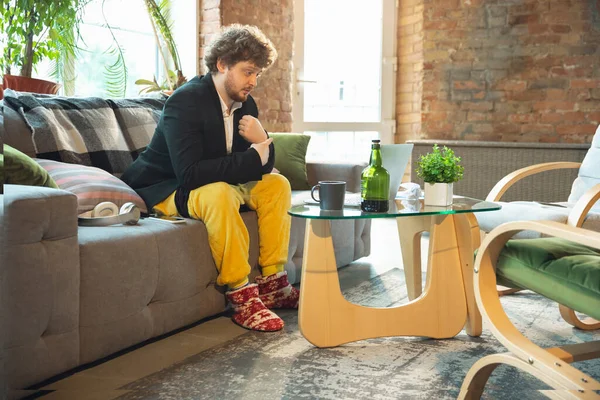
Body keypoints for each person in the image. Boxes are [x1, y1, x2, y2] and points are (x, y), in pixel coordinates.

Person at [121, 24, 297, 332]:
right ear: (221, 64)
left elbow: (263, 169)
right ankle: (241, 296)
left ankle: (272, 282)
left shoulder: (246, 103)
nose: (253, 82)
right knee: (218, 193)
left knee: (277, 186)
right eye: (247, 72)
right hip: (166, 186)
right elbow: (190, 174)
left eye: (257, 74)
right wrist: (255, 155)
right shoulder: (184, 102)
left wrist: (263, 141)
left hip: (215, 183)